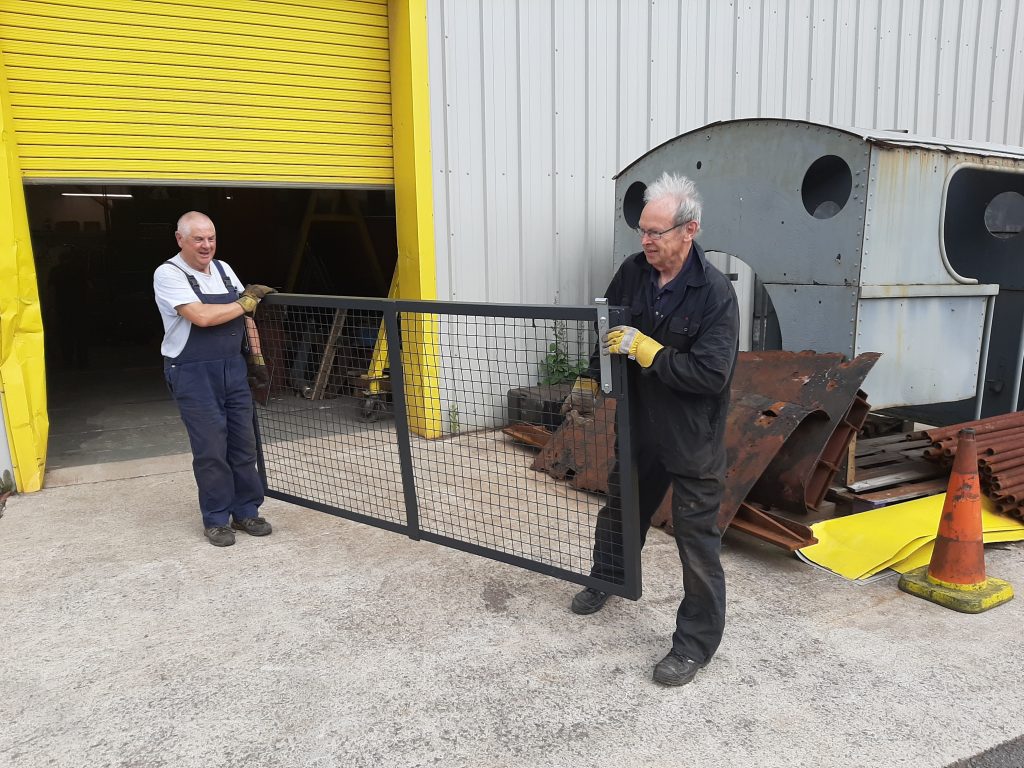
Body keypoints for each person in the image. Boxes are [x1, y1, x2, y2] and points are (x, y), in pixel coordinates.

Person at [566, 172, 740, 686]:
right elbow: (606, 328)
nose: (645, 241)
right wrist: (597, 372)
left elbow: (712, 374)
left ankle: (693, 646)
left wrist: (652, 352)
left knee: (696, 541)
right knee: (623, 509)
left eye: (656, 232)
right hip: (640, 425)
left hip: (692, 437)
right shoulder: (633, 272)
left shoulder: (713, 293)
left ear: (690, 230)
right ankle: (609, 578)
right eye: (642, 230)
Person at [153, 211, 276, 547]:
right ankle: (217, 518)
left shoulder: (224, 270)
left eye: (211, 238)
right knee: (211, 449)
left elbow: (246, 315)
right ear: (180, 239)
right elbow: (202, 317)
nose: (206, 245)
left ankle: (246, 510)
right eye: (198, 239)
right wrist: (247, 300)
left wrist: (257, 355)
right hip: (192, 372)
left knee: (243, 443)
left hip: (232, 367)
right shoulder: (168, 274)